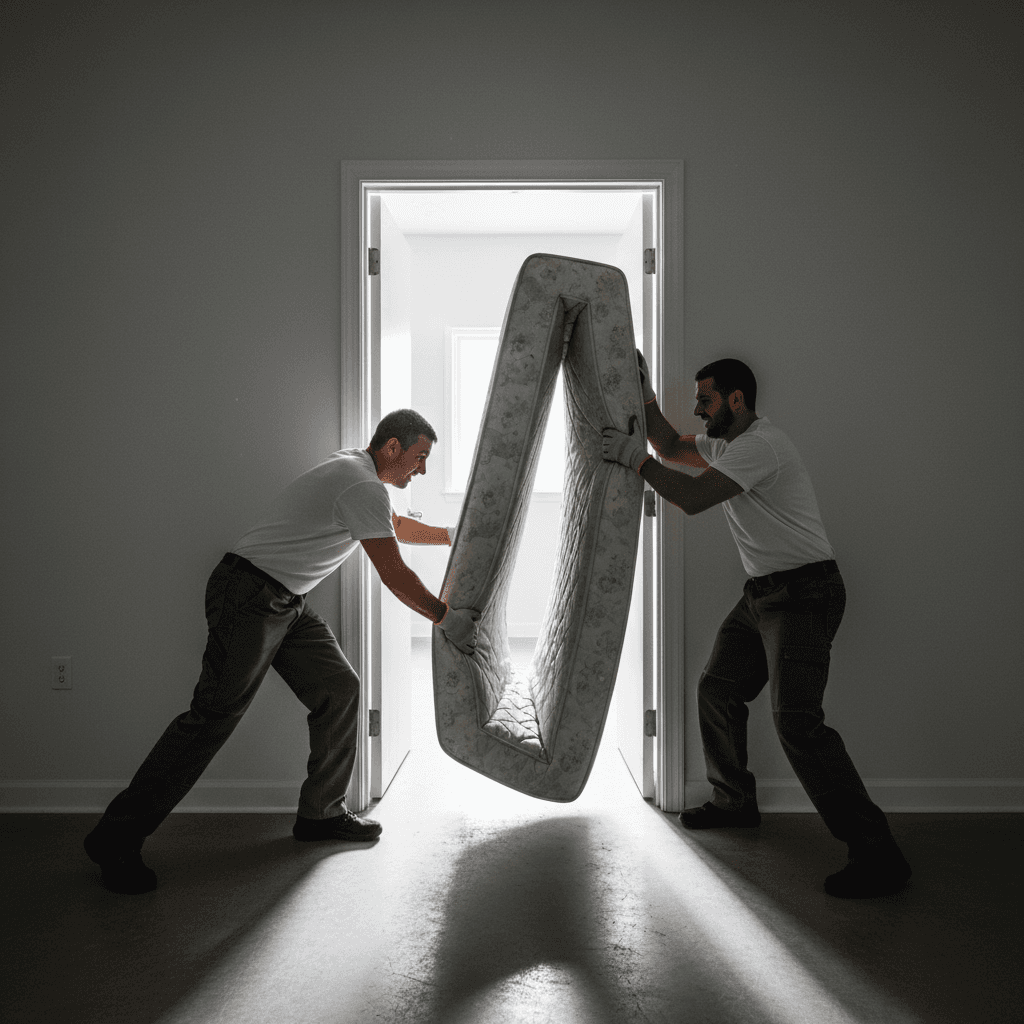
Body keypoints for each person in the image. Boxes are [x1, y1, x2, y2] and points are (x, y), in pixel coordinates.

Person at [84, 408, 479, 894]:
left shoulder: (356, 472)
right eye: (418, 458)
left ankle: (320, 814)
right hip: (250, 596)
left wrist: (445, 536)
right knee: (211, 717)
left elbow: (391, 523)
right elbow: (394, 573)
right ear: (392, 447)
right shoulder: (361, 483)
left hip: (284, 600)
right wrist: (446, 618)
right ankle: (115, 838)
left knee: (339, 688)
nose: (420, 470)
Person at [602, 356, 911, 898]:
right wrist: (644, 396)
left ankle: (878, 852)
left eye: (706, 400)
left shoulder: (760, 447)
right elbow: (672, 446)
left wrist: (635, 462)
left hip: (805, 594)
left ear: (737, 400)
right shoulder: (725, 446)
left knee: (797, 721)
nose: (698, 409)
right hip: (764, 593)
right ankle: (734, 801)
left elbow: (693, 498)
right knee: (718, 688)